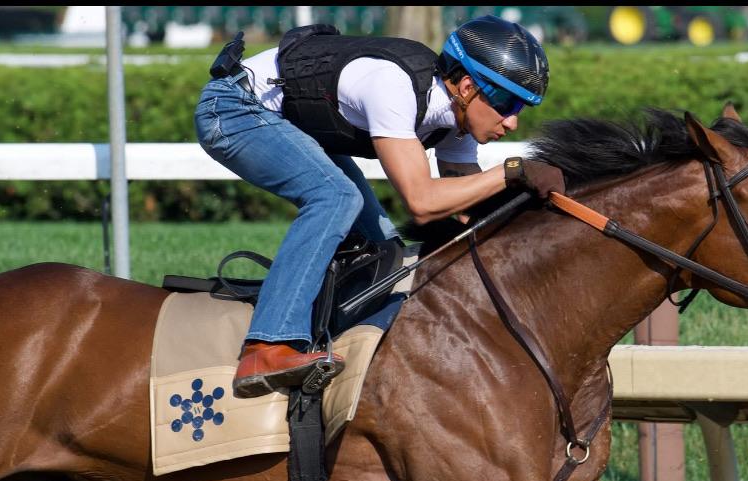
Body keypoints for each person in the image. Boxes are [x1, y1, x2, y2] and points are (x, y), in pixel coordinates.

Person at [194, 15, 566, 398]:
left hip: (290, 124)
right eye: (507, 103)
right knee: (336, 197)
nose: (513, 121)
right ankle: (267, 346)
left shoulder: (457, 118)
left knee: (385, 250)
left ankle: (332, 344)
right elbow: (422, 202)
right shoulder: (393, 86)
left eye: (522, 107)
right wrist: (511, 172)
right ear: (468, 87)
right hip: (232, 108)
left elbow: (469, 212)